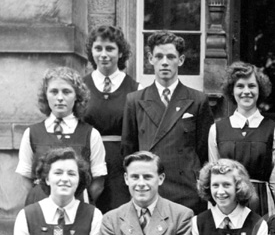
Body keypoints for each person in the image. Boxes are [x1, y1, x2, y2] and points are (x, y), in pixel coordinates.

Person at [121, 30, 214, 214]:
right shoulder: (135, 100)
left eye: (171, 56)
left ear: (180, 60)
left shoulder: (197, 100)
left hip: (187, 191)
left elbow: (204, 151)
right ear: (150, 59)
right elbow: (128, 149)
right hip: (150, 189)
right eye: (159, 56)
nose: (164, 62)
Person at [16, 67, 107, 205]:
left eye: (66, 92)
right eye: (53, 92)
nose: (59, 98)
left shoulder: (91, 135)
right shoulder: (32, 133)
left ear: (77, 96)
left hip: (78, 206)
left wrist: (80, 202)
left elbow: (98, 182)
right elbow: (25, 178)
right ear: (46, 95)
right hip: (40, 206)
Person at [208, 61, 275, 217]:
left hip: (260, 204)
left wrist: (266, 204)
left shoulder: (274, 130)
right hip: (226, 204)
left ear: (260, 90)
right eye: (240, 86)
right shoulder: (217, 129)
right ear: (232, 90)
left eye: (252, 86)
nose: (246, 91)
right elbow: (213, 173)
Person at [83, 25, 139, 213]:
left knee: (119, 216)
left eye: (110, 48)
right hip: (87, 160)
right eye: (98, 48)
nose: (104, 54)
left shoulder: (135, 89)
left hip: (120, 162)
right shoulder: (81, 87)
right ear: (91, 52)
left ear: (121, 52)